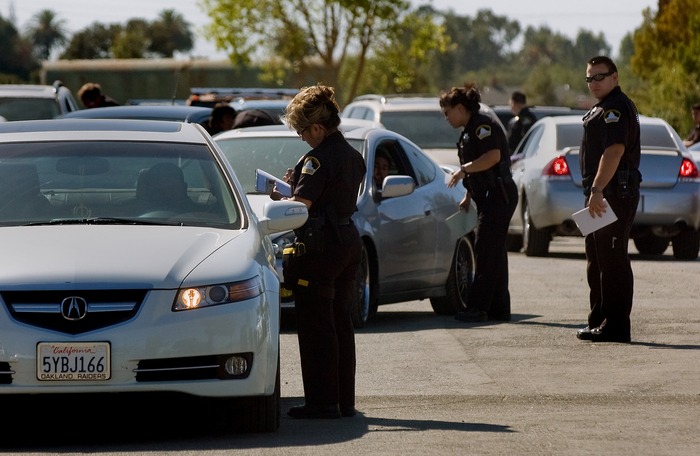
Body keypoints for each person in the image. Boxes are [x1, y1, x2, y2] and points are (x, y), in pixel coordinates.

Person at [271, 84, 366, 419]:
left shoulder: (316, 159)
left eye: (301, 130)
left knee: (315, 325)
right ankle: (343, 401)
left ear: (317, 128)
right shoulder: (353, 155)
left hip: (321, 247)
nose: (300, 138)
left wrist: (283, 196)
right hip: (347, 241)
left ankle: (322, 402)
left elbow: (302, 207)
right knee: (340, 321)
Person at [576, 56, 641, 343]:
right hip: (601, 194)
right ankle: (600, 320)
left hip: (612, 194)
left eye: (599, 77)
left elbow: (614, 151)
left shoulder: (615, 107)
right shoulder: (602, 107)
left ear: (615, 77)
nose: (593, 83)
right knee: (597, 258)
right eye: (589, 78)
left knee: (612, 260)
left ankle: (615, 325)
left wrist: (598, 189)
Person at [441, 84, 518, 322]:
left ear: (461, 108)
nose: (446, 118)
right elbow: (481, 170)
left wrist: (463, 170)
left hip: (498, 196)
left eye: (448, 112)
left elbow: (492, 157)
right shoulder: (469, 130)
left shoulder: (482, 126)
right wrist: (468, 196)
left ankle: (478, 307)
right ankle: (498, 306)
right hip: (489, 196)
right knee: (494, 252)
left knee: (485, 251)